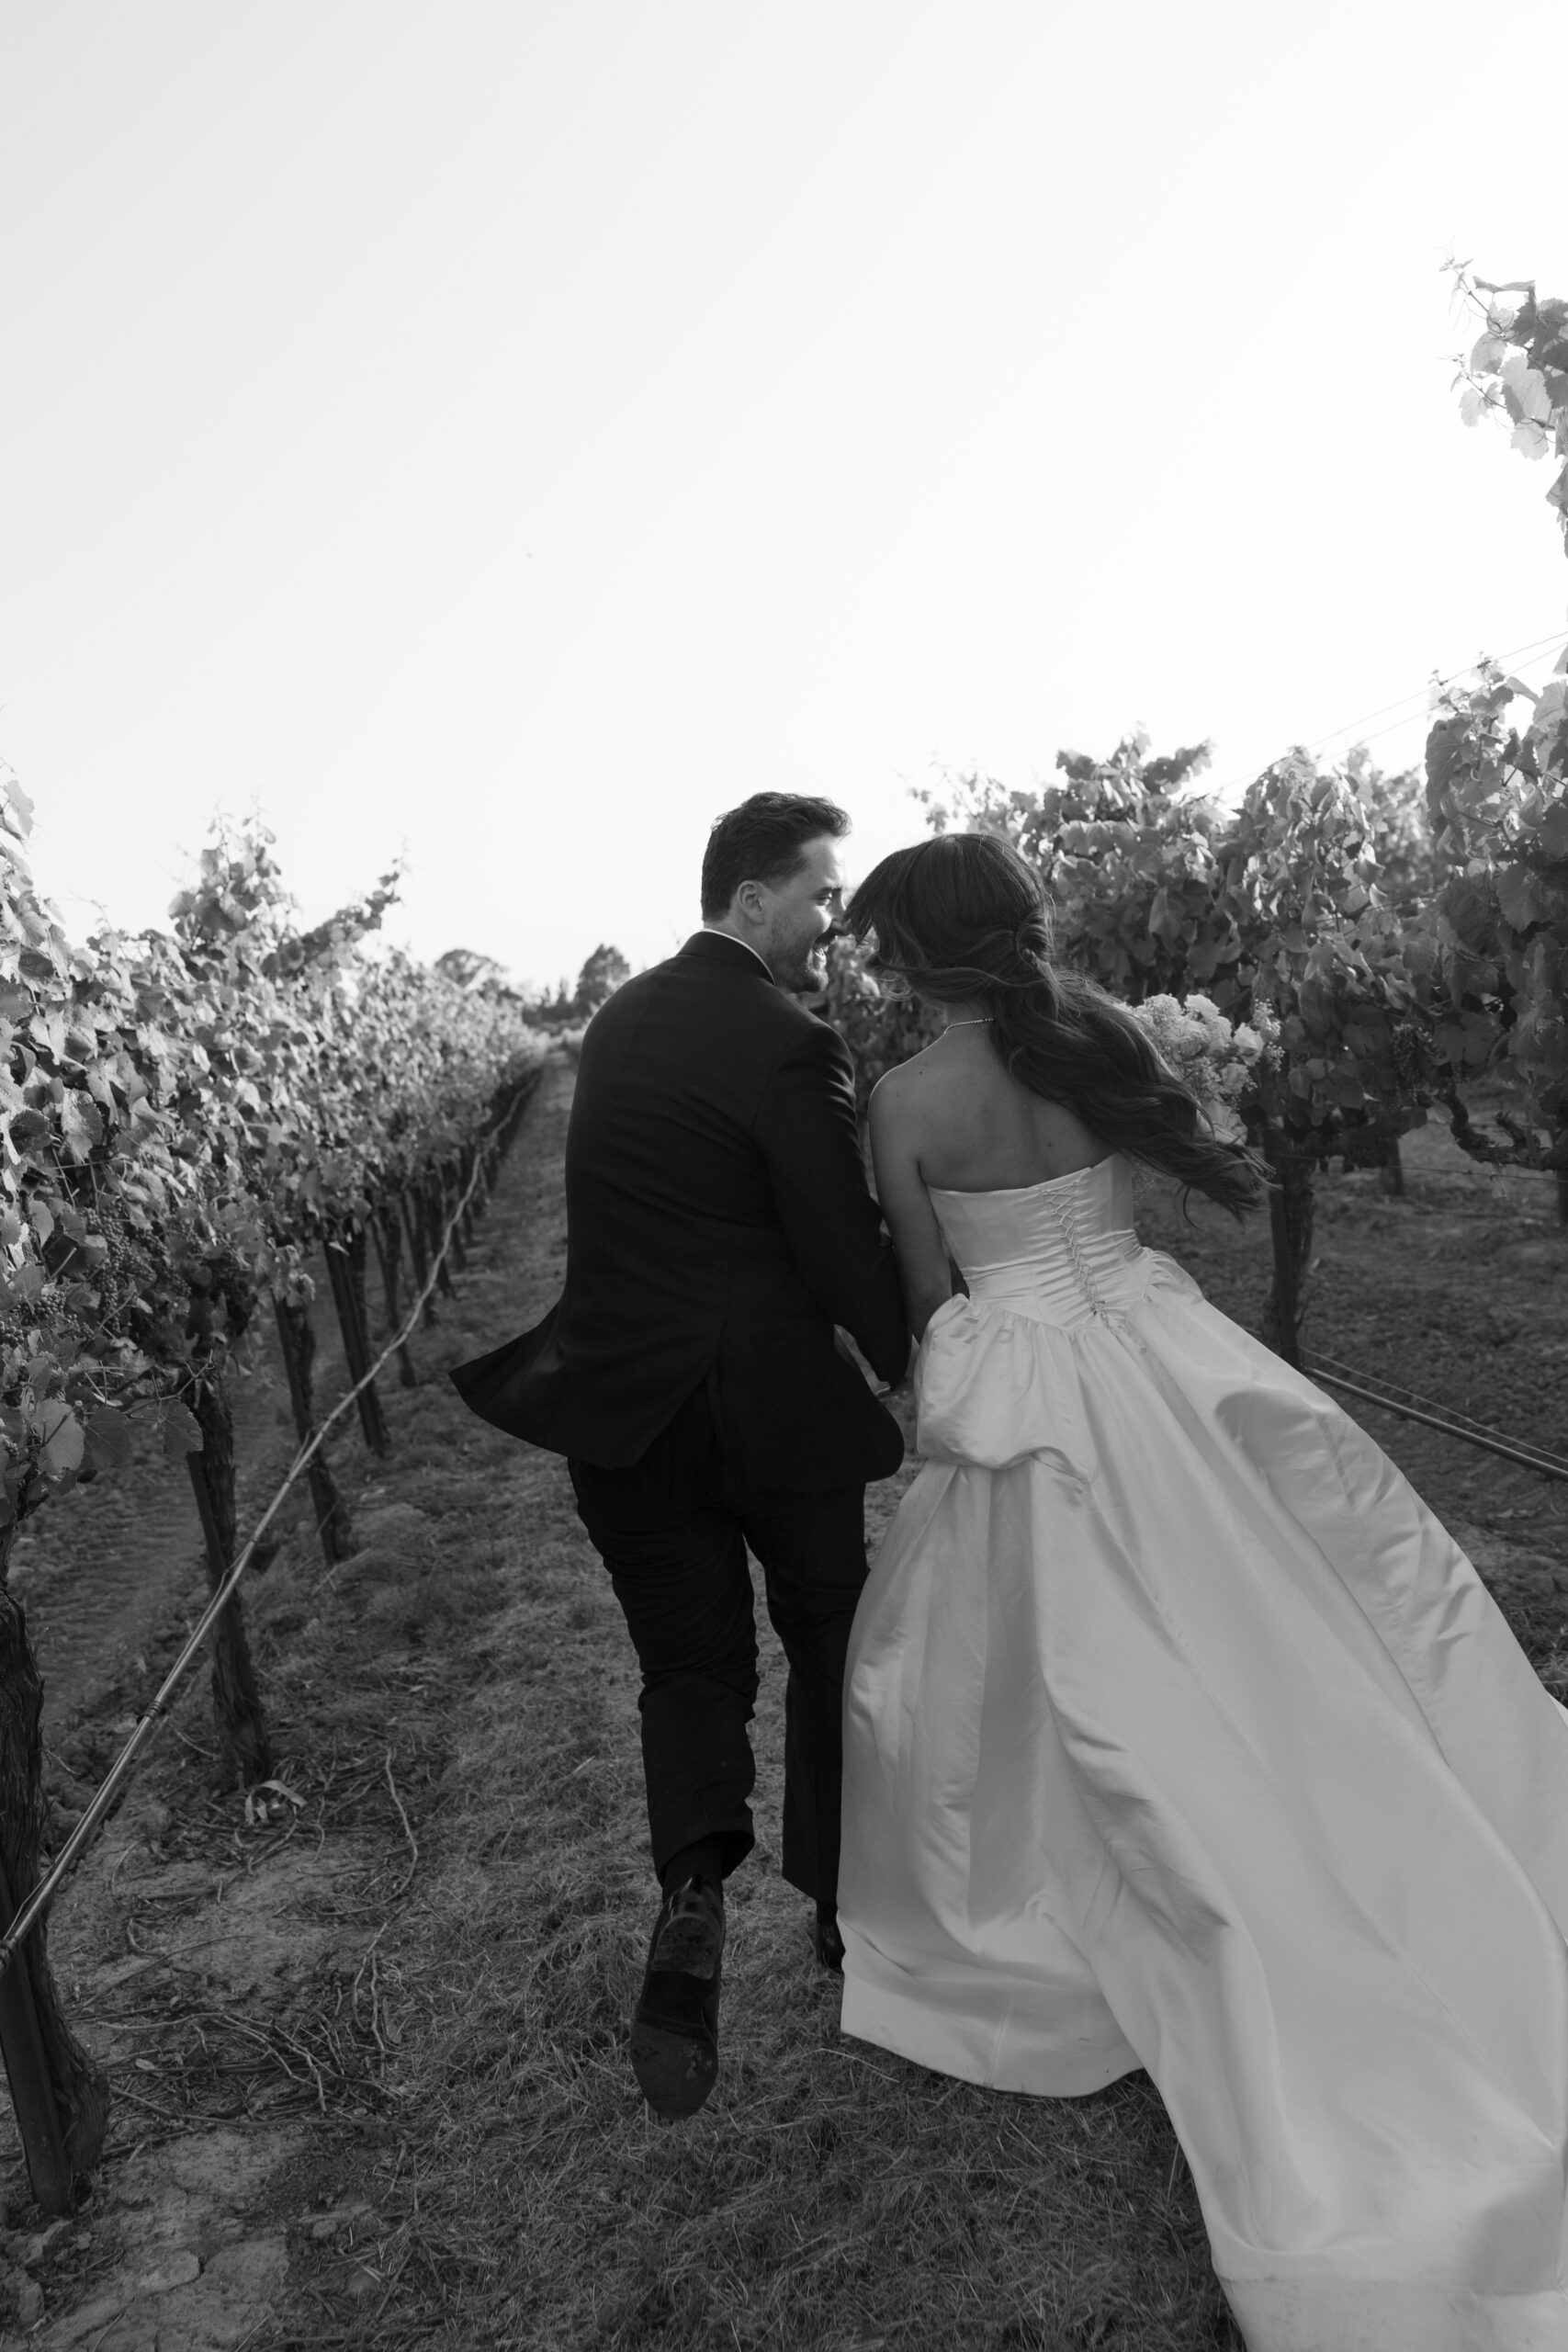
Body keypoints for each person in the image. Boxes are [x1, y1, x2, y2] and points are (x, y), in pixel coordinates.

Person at [834, 830, 1568, 2352]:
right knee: (1290, 1599)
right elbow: (1135, 1212)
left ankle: (1078, 1895)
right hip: (1161, 1349)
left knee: (1057, 1668)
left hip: (1030, 1372)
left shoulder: (903, 1101)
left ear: (916, 954)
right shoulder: (1098, 1037)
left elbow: (927, 1298)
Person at [450, 793, 909, 2120]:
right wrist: (903, 1345)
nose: (834, 924)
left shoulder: (618, 1022)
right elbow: (833, 1239)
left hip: (623, 1414)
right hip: (769, 1406)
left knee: (690, 1667)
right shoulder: (787, 1040)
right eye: (822, 896)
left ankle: (694, 1889)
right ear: (754, 897)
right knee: (831, 1641)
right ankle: (845, 1914)